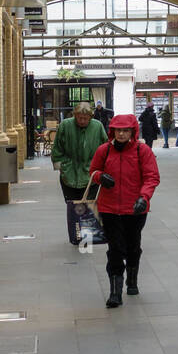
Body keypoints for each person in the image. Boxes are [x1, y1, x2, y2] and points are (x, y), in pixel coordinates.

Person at [89, 113, 161, 307]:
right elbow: (93, 170)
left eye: (125, 130)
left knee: (132, 246)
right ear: (112, 131)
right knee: (115, 249)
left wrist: (144, 197)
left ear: (132, 132)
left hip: (135, 209)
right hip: (109, 209)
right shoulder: (104, 150)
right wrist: (100, 177)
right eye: (118, 130)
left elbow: (152, 176)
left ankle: (132, 280)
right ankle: (115, 293)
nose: (121, 134)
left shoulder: (142, 151)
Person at [51, 102, 107, 246]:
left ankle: (88, 235)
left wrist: (102, 168)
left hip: (91, 175)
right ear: (74, 116)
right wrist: (62, 167)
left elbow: (105, 147)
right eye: (79, 118)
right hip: (69, 175)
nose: (82, 121)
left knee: (89, 206)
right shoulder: (65, 125)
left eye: (85, 118)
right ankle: (76, 233)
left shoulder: (97, 126)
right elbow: (57, 148)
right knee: (73, 207)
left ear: (90, 117)